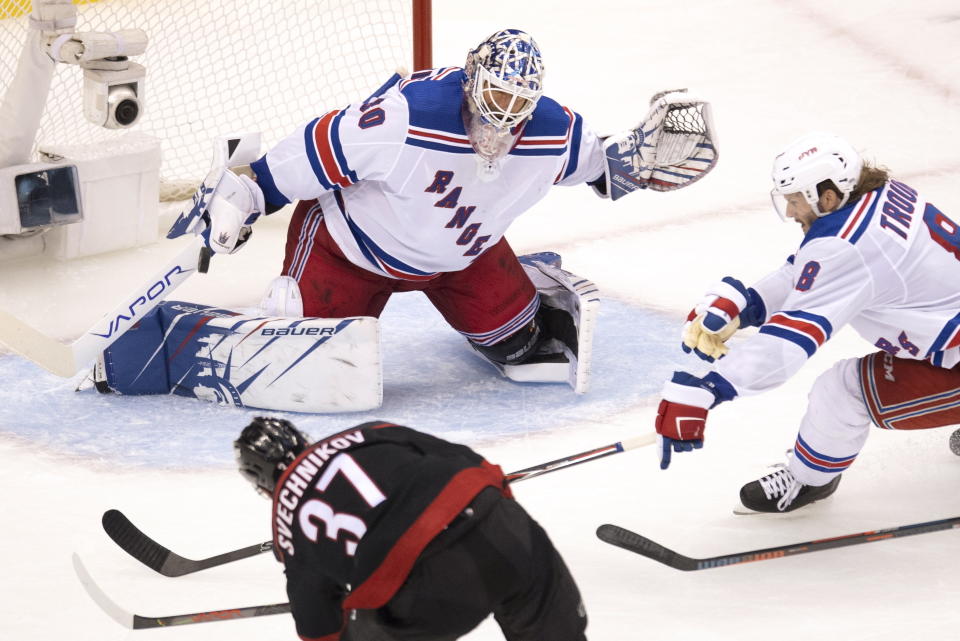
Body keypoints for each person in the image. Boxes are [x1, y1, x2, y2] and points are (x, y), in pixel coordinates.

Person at [202, 28, 717, 391]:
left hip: (460, 258)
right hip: (350, 251)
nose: (504, 116)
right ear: (472, 77)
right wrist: (253, 192)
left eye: (519, 104)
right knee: (308, 367)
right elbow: (317, 147)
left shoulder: (551, 131)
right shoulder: (406, 116)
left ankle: (529, 284)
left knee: (524, 351)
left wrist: (636, 164)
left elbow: (599, 165)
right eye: (495, 94)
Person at [652, 131, 960, 512]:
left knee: (844, 391)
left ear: (826, 196)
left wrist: (711, 388)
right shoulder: (875, 197)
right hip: (949, 340)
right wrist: (749, 305)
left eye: (795, 201)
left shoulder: (848, 245)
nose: (791, 212)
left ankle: (808, 480)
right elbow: (809, 270)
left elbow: (786, 345)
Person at [233, 416, 588, 641]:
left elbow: (316, 611)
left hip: (429, 582)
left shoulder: (287, 519)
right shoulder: (371, 431)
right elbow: (467, 459)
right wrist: (497, 511)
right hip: (504, 526)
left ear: (262, 483)